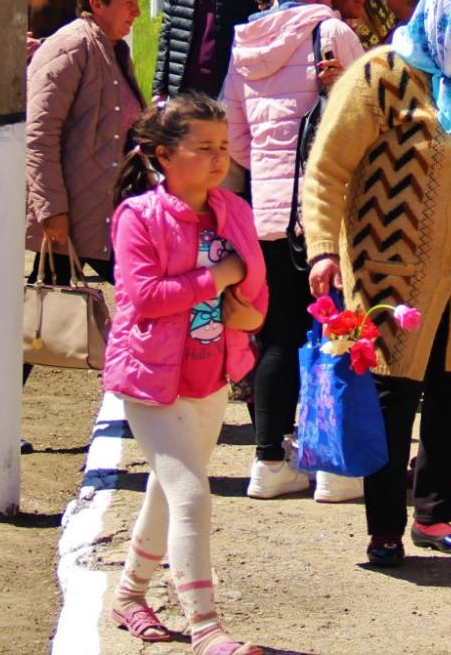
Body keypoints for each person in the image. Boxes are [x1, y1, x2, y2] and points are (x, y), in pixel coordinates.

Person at [301, 0, 451, 568]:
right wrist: (323, 249)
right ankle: (383, 527)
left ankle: (434, 514)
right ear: (439, 25)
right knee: (390, 397)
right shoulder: (379, 77)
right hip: (390, 269)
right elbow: (325, 171)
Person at [102, 94, 269, 655]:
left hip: (213, 375)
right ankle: (206, 628)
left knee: (168, 489)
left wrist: (248, 311)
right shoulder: (138, 217)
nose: (219, 158)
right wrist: (216, 278)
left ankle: (129, 595)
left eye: (223, 147)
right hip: (152, 379)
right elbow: (143, 298)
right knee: (191, 494)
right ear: (163, 156)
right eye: (203, 148)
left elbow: (255, 292)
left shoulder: (235, 211)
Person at [221, 0, 366, 502]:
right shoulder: (328, 31)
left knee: (278, 334)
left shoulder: (245, 42)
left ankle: (268, 461)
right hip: (325, 210)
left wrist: (265, 163)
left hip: (267, 211)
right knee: (336, 327)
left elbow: (235, 136)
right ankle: (330, 463)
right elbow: (366, 109)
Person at [24, 0, 150, 389]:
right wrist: (51, 211)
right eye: (129, 2)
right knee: (40, 316)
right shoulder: (70, 46)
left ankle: (143, 390)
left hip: (102, 208)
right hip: (72, 214)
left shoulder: (111, 47)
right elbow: (39, 133)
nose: (136, 12)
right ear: (97, 3)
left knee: (40, 317)